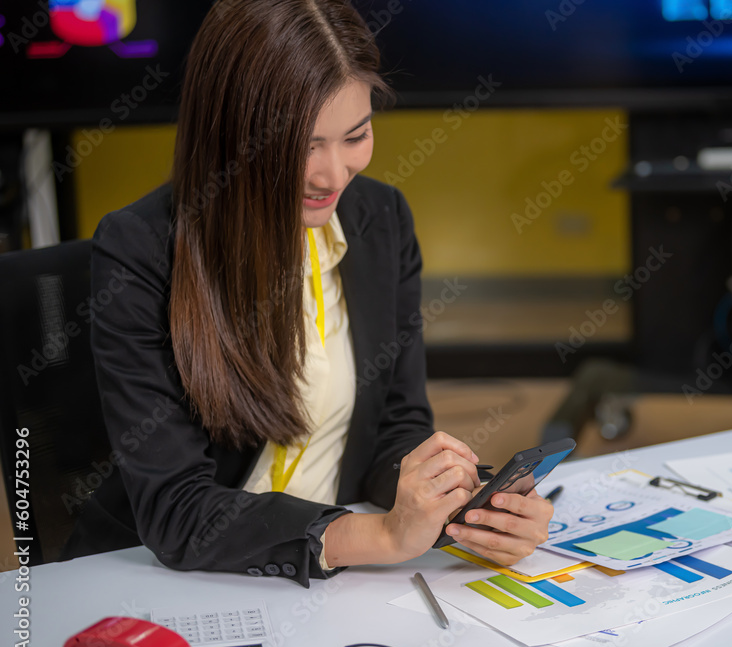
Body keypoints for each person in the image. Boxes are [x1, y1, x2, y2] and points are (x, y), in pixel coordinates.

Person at [61, 0, 553, 586]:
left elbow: (393, 428)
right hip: (163, 581)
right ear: (227, 134)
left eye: (356, 136)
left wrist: (462, 507)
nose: (333, 175)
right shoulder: (140, 249)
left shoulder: (382, 219)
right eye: (302, 144)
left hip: (321, 580)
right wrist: (379, 536)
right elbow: (177, 511)